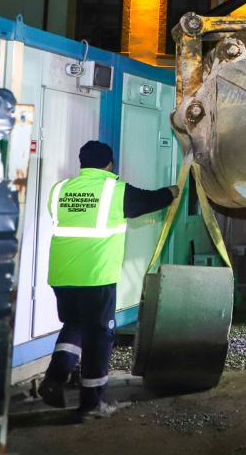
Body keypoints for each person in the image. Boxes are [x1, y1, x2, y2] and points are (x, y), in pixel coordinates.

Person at [36, 140, 178, 421]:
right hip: (96, 276)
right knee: (99, 337)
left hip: (62, 275)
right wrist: (172, 192)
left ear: (82, 164)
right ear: (109, 164)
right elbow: (150, 200)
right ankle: (91, 404)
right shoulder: (115, 190)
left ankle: (54, 380)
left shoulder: (60, 189)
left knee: (74, 324)